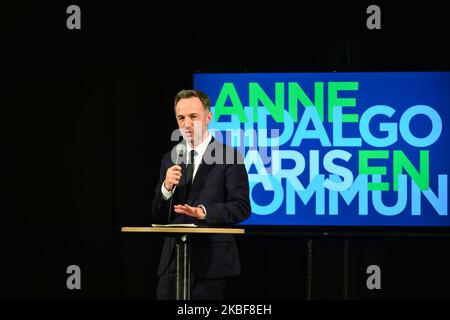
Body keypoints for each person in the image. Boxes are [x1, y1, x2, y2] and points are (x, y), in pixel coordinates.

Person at [151, 89, 251, 300]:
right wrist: (166, 189)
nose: (186, 124)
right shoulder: (170, 158)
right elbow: (158, 214)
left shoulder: (230, 157)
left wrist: (203, 212)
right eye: (181, 118)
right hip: (172, 262)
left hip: (211, 265)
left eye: (193, 117)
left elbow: (241, 207)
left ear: (208, 117)